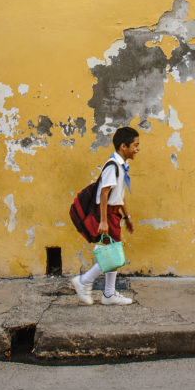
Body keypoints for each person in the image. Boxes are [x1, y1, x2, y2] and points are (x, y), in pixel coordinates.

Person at [71, 126, 140, 306]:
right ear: (123, 146)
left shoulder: (123, 165)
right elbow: (104, 193)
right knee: (113, 254)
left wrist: (127, 216)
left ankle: (108, 294)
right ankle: (84, 281)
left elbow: (120, 194)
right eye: (135, 145)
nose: (137, 149)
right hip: (107, 213)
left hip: (114, 212)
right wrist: (103, 220)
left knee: (113, 252)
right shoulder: (113, 166)